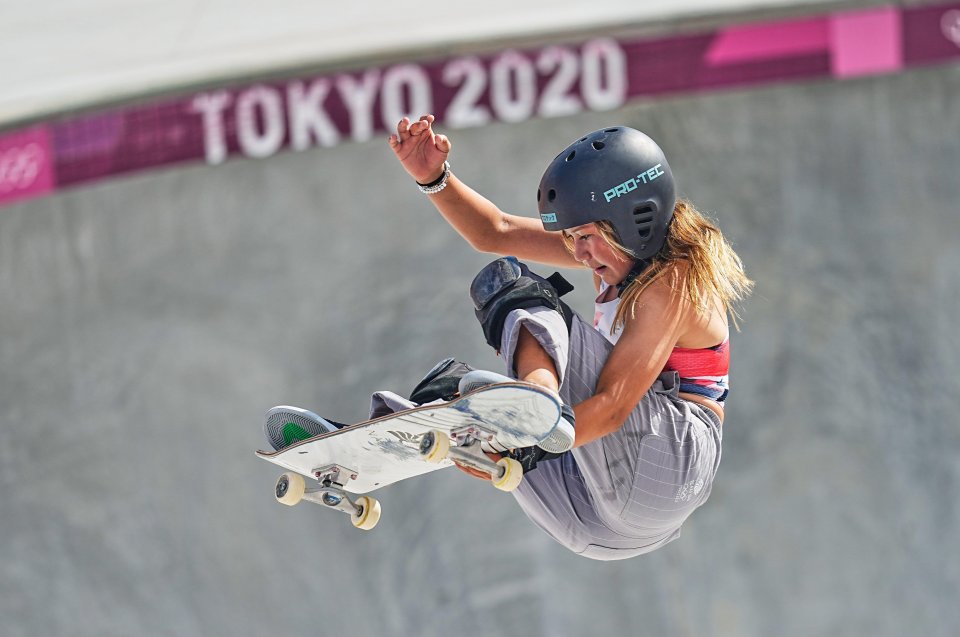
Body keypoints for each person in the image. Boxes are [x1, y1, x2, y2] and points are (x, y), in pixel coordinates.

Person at [266, 114, 752, 561]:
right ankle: (390, 437)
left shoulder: (671, 283)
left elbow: (612, 405)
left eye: (586, 236)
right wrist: (432, 177)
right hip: (596, 527)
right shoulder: (612, 254)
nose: (578, 254)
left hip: (669, 468)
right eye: (571, 239)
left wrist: (529, 436)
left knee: (517, 293)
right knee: (461, 396)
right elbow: (494, 230)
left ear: (632, 219)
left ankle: (534, 404)